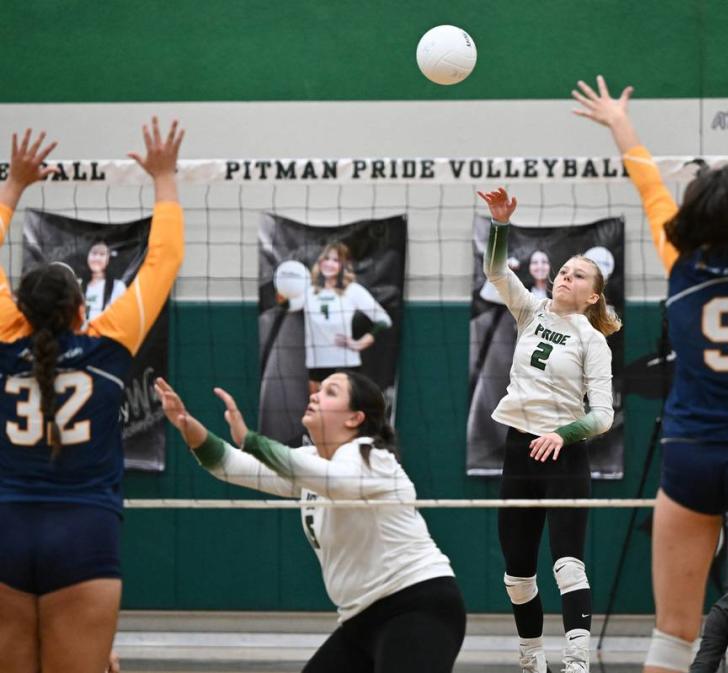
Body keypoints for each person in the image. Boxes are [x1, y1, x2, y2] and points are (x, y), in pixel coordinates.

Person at [573, 45, 728, 673]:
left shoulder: (678, 259)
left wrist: (618, 120)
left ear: (696, 215)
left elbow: (647, 179)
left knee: (672, 640)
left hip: (689, 454)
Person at [0, 119, 185, 673]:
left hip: (5, 526)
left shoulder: (6, 337)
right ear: (83, 309)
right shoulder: (109, 344)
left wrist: (13, 188)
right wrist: (165, 178)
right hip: (86, 532)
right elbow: (161, 261)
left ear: (20, 309)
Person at [154, 370, 465, 673]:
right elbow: (229, 466)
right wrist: (186, 424)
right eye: (320, 389)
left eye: (330, 392)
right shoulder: (310, 464)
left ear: (354, 418)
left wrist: (252, 440)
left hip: (416, 605)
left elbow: (335, 481)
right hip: (359, 618)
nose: (315, 395)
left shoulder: (373, 458)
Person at [478, 187, 619, 673]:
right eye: (563, 270)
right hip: (518, 452)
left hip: (562, 456)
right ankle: (531, 662)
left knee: (566, 563)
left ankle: (577, 663)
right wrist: (499, 224)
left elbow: (603, 416)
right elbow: (497, 272)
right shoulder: (531, 311)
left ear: (593, 294)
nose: (564, 275)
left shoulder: (592, 340)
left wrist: (564, 433)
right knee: (517, 574)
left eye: (578, 274)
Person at [302, 242, 392, 393]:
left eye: (336, 260)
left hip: (345, 363)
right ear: (320, 262)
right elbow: (285, 303)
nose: (329, 264)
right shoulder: (308, 291)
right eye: (326, 258)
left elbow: (384, 320)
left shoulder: (353, 290)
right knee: (319, 411)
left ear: (344, 265)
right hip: (316, 364)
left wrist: (363, 342)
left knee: (344, 411)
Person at [81, 240, 127, 323]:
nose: (97, 258)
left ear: (108, 259)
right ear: (87, 256)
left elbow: (123, 320)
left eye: (102, 254)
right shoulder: (78, 285)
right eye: (94, 253)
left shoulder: (118, 287)